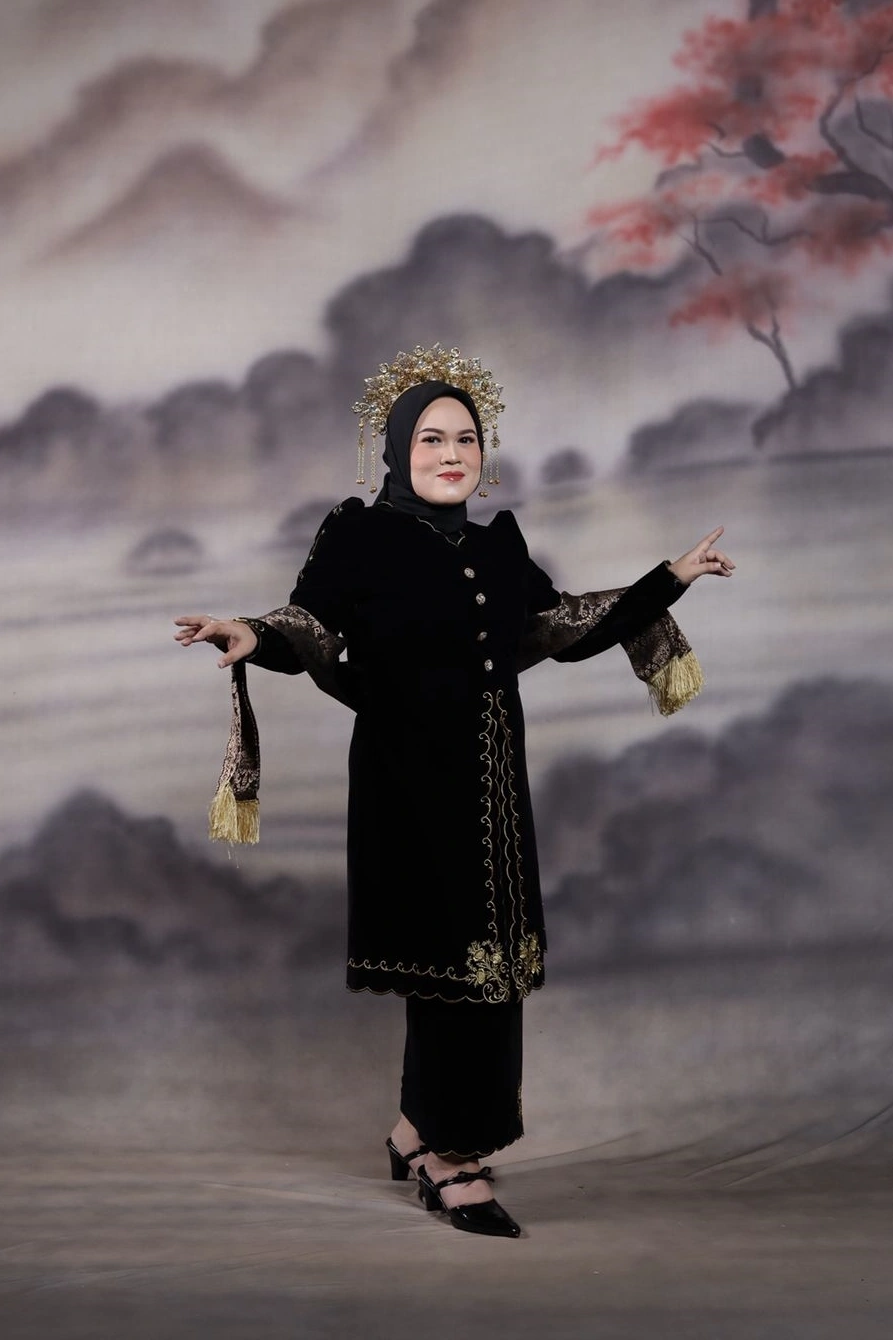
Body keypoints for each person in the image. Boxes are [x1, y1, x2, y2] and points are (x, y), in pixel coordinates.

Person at [174, 345, 734, 1239]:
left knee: (490, 967)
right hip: (406, 782)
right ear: (397, 451)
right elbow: (310, 623)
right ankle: (452, 1159)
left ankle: (416, 1128)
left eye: (465, 438)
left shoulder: (497, 544)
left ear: (484, 452)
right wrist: (248, 632)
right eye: (430, 438)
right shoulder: (358, 535)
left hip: (492, 784)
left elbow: (558, 626)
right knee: (446, 965)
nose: (450, 453)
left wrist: (668, 578)